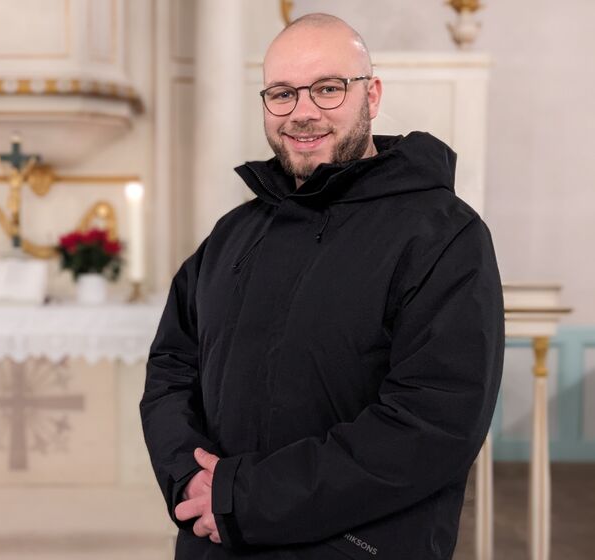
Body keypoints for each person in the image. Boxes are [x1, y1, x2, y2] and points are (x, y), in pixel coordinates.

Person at [140, 12, 504, 560]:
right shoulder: (233, 233)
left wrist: (243, 497)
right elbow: (170, 366)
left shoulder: (444, 234)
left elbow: (431, 425)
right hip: (216, 542)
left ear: (372, 94)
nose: (303, 112)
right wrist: (189, 480)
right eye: (282, 94)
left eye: (328, 88)